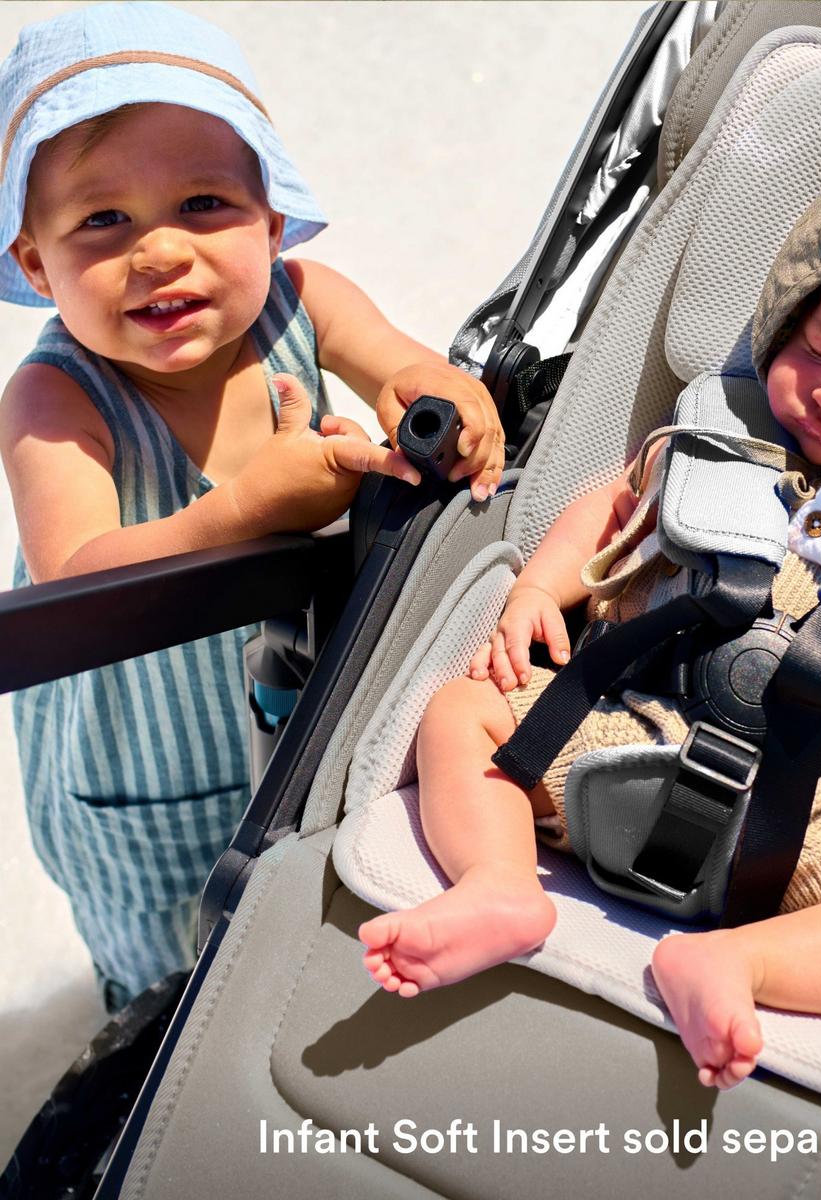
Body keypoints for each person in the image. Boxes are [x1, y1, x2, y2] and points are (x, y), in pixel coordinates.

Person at [358, 135, 821, 1089]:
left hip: (818, 836)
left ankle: (741, 965)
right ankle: (500, 885)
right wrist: (539, 591)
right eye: (817, 350)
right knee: (462, 712)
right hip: (618, 732)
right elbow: (611, 507)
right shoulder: (714, 443)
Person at [0, 2, 503, 1011]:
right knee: (172, 956)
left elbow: (406, 371)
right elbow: (74, 579)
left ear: (271, 222)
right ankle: (150, 1054)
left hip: (305, 700)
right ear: (36, 264)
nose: (158, 252)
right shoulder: (54, 399)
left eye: (202, 204)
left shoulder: (304, 303)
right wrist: (241, 512)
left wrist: (447, 399)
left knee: (305, 896)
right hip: (145, 750)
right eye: (102, 220)